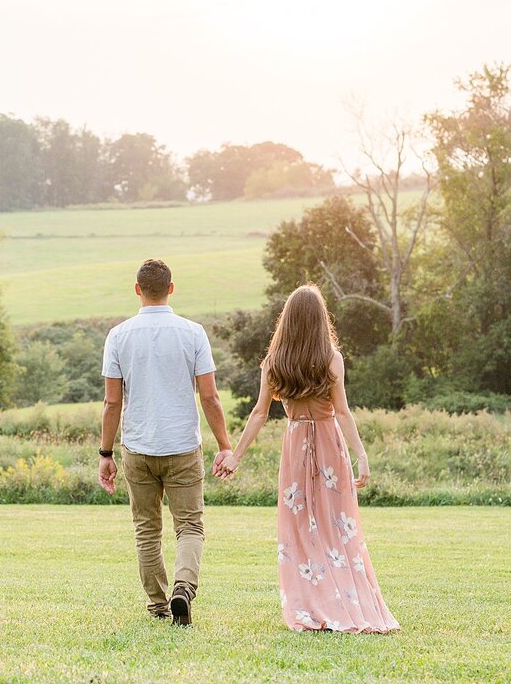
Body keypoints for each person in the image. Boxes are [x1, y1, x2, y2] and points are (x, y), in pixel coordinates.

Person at [215, 283, 399, 633]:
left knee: (300, 529)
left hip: (295, 444)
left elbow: (258, 413)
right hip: (331, 445)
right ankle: (342, 599)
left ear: (287, 320)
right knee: (338, 527)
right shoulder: (331, 359)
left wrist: (236, 456)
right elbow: (343, 412)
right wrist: (361, 455)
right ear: (319, 321)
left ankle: (310, 604)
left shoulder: (274, 363)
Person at [98, 259, 234, 626]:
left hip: (138, 448)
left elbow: (113, 402)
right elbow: (210, 397)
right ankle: (183, 590)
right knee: (189, 527)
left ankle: (158, 605)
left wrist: (105, 453)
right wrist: (225, 445)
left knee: (147, 529)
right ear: (171, 288)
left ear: (138, 290)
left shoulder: (119, 335)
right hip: (183, 447)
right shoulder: (193, 333)